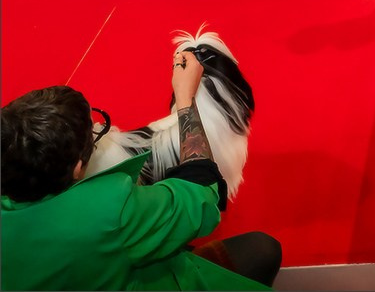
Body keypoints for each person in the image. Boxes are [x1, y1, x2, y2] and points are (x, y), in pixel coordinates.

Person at [1, 51, 282, 290]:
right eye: (93, 135)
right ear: (77, 168)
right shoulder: (110, 212)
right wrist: (185, 102)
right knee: (262, 249)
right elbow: (200, 195)